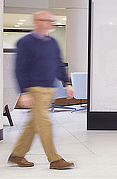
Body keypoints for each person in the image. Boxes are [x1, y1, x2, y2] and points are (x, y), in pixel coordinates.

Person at [8, 11, 75, 169]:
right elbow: (20, 69)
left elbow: (58, 64)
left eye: (52, 20)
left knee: (34, 123)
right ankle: (55, 159)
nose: (50, 23)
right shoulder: (25, 42)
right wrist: (24, 92)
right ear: (36, 22)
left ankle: (17, 155)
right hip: (34, 89)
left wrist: (67, 83)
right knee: (44, 123)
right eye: (46, 20)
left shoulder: (52, 42)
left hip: (48, 88)